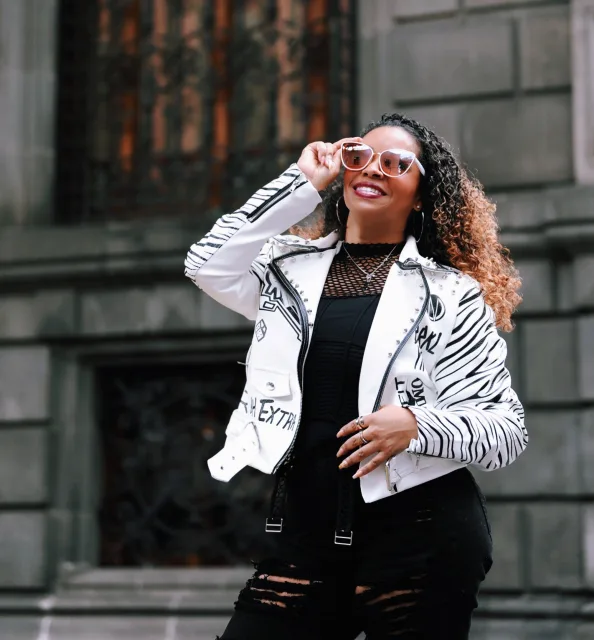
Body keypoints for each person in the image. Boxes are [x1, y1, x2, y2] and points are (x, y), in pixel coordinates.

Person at [184, 113, 527, 639]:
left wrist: (416, 425)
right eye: (359, 156)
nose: (373, 169)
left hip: (418, 534)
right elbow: (207, 264)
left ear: (421, 194)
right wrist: (300, 183)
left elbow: (506, 430)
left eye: (396, 163)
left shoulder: (449, 295)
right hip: (306, 530)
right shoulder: (286, 270)